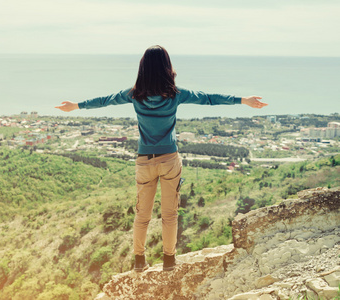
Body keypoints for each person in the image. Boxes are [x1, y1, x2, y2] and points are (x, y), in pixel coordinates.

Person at [55, 45, 267, 272]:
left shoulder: (134, 94)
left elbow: (105, 100)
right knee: (170, 214)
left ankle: (139, 261)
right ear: (167, 67)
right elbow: (208, 99)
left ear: (142, 68)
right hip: (169, 160)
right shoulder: (176, 94)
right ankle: (168, 260)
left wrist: (76, 106)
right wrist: (243, 100)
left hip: (144, 161)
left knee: (142, 215)